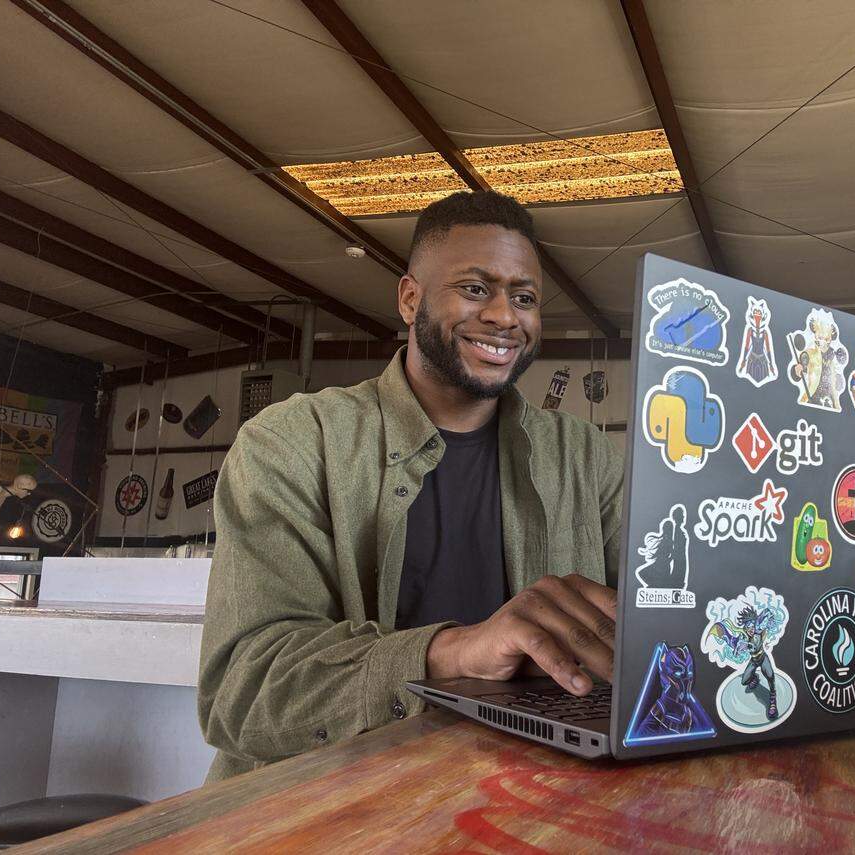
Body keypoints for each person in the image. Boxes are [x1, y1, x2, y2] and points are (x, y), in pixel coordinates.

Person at [197, 191, 624, 781]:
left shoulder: (586, 455)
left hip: (527, 792)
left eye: (524, 298)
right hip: (327, 801)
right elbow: (242, 693)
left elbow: (652, 620)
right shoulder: (294, 441)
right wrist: (451, 653)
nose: (505, 316)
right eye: (475, 289)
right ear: (409, 298)